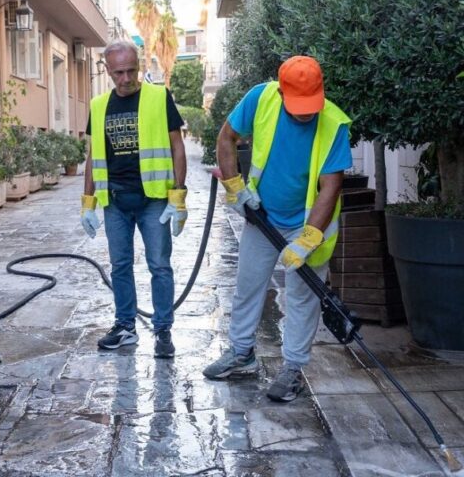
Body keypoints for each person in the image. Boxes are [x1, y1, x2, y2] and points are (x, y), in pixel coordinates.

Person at [202, 55, 352, 402]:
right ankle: (242, 355)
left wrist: (308, 239)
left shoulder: (333, 122)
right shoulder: (261, 98)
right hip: (264, 216)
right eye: (297, 104)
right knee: (247, 285)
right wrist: (235, 187)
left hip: (308, 222)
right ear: (282, 91)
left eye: (311, 104)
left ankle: (293, 370)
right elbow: (226, 138)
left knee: (302, 298)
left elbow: (331, 186)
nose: (305, 112)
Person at [81, 40, 187, 359]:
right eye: (118, 73)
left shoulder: (158, 97)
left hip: (153, 199)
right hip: (115, 200)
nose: (125, 79)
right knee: (120, 266)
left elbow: (177, 146)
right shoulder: (99, 106)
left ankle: (163, 329)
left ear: (138, 66)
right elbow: (92, 155)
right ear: (108, 71)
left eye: (130, 71)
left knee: (159, 265)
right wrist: (88, 202)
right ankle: (125, 327)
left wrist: (178, 197)